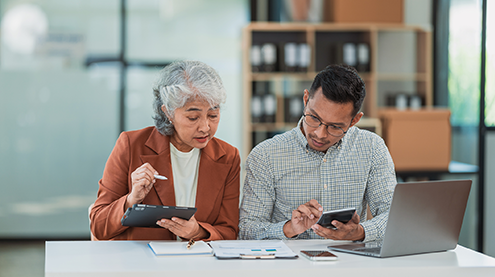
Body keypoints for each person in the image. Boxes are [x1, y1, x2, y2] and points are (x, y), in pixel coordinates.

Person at [239, 64, 397, 242]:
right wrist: (289, 228)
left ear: (355, 120)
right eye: (314, 118)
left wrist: (360, 232)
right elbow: (247, 230)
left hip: (350, 263)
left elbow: (393, 216)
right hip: (288, 266)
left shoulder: (372, 148)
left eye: (335, 127)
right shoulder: (265, 155)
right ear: (305, 99)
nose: (320, 134)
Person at [90, 60, 240, 241]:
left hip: (199, 264)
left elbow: (230, 231)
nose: (205, 127)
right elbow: (98, 226)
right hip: (142, 263)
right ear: (168, 113)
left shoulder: (228, 157)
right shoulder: (131, 145)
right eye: (193, 117)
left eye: (213, 115)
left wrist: (197, 232)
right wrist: (131, 200)